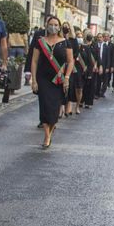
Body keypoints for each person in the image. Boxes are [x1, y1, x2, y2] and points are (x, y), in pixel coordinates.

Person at [29, 17, 70, 148]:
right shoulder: (40, 42)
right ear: (46, 26)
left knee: (54, 109)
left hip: (58, 79)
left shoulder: (65, 43)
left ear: (59, 27)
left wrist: (67, 77)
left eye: (56, 24)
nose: (53, 27)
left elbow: (70, 61)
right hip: (43, 78)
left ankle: (50, 130)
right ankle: (47, 136)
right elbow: (34, 61)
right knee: (45, 107)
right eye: (51, 24)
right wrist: (34, 80)